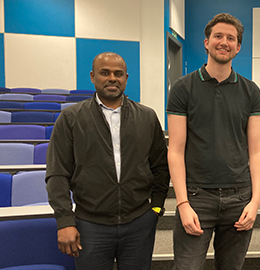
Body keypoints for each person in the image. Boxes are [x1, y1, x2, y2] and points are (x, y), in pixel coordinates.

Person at [46, 52, 170, 270]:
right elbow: (57, 173)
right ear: (93, 77)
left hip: (139, 223)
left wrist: (157, 208)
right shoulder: (71, 118)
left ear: (126, 78)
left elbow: (160, 166)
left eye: (118, 73)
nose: (112, 78)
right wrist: (64, 221)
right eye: (105, 73)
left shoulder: (147, 117)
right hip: (90, 224)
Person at [166, 13, 260, 270]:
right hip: (197, 197)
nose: (224, 42)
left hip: (239, 198)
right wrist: (183, 203)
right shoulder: (182, 88)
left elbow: (256, 151)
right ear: (206, 42)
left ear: (238, 47)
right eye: (218, 36)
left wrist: (254, 202)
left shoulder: (251, 91)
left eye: (231, 38)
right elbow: (175, 151)